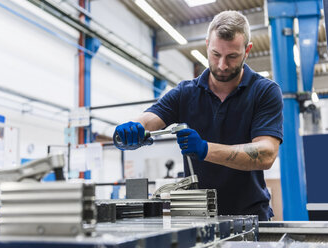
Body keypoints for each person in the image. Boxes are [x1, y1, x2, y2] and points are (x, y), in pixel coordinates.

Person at [113, 10, 283, 221]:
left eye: (232, 56)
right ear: (207, 45)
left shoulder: (264, 91)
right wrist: (134, 128)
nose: (222, 65)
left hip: (250, 217)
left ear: (247, 50)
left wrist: (205, 149)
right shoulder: (186, 92)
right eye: (215, 54)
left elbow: (266, 153)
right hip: (197, 217)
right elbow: (152, 118)